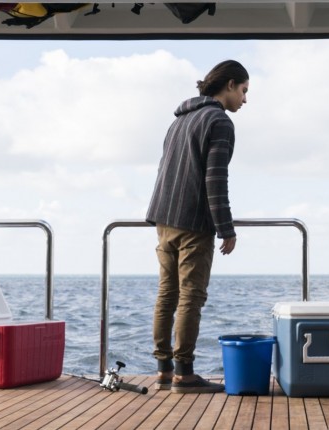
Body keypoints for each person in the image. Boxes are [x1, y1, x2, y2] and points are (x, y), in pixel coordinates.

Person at [146, 60, 248, 394]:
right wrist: (226, 228)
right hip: (193, 220)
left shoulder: (179, 120)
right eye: (243, 90)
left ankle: (163, 370)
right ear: (229, 85)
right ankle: (184, 373)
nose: (245, 99)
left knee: (167, 293)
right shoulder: (219, 121)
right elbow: (215, 179)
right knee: (191, 294)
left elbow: (164, 169)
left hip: (164, 216)